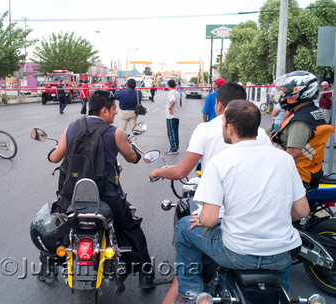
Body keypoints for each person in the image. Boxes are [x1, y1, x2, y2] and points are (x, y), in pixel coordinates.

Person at [171, 100, 309, 303]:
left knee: (184, 227)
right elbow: (302, 210)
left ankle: (191, 290)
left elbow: (209, 220)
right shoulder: (284, 159)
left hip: (237, 253)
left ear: (231, 127)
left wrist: (201, 219)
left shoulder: (220, 161)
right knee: (282, 292)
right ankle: (284, 294)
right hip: (280, 255)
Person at [150, 82, 271, 304]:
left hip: (224, 222)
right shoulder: (263, 137)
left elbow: (182, 171)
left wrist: (158, 171)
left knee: (186, 232)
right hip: (266, 230)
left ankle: (190, 289)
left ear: (219, 107)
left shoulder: (207, 133)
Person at [47, 90, 155, 288]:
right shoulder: (115, 133)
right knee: (130, 227)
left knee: (56, 225)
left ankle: (48, 268)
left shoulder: (71, 127)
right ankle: (145, 274)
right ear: (104, 110)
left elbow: (55, 157)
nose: (116, 113)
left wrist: (54, 150)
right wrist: (136, 155)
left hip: (72, 196)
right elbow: (132, 158)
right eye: (114, 109)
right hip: (108, 198)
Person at [271, 71, 334, 190]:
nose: (281, 94)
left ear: (299, 92)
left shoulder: (301, 121)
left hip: (297, 178)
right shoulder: (312, 112)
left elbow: (292, 156)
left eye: (285, 90)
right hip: (308, 173)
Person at [166, 80, 181, 155]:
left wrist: (170, 108)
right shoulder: (177, 92)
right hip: (176, 115)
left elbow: (173, 100)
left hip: (171, 116)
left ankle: (174, 149)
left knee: (171, 133)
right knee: (175, 132)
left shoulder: (170, 93)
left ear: (168, 85)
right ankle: (175, 147)